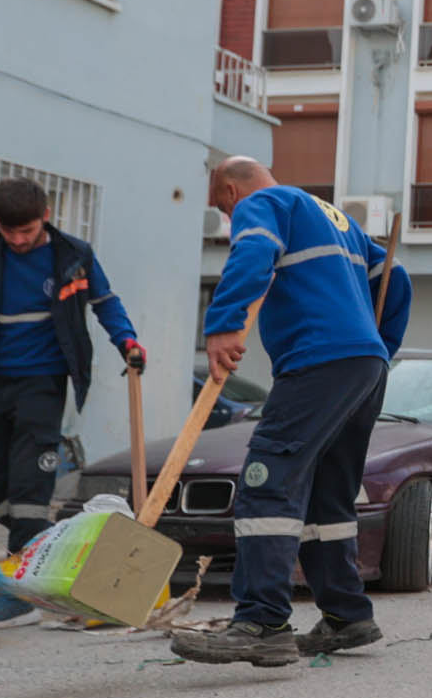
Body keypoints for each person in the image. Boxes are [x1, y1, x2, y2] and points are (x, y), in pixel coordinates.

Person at [167, 158, 411, 667]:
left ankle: (261, 622)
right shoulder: (332, 216)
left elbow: (255, 248)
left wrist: (223, 322)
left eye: (223, 209)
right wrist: (378, 345)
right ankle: (347, 616)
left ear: (232, 192)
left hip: (318, 361)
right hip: (363, 366)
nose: (229, 220)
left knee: (266, 479)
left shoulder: (263, 203)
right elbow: (395, 274)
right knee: (328, 496)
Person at [0, 176, 142, 631]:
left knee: (29, 488)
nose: (18, 240)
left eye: (28, 231)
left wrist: (127, 341)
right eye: (9, 231)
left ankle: (17, 594)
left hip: (45, 381)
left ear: (46, 217)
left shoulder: (74, 256)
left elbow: (106, 302)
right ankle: (49, 545)